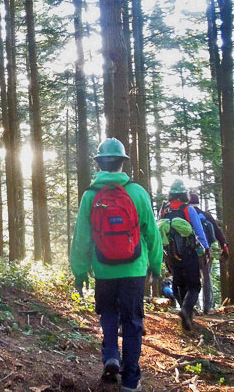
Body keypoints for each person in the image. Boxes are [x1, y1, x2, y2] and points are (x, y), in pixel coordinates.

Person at [70, 138, 163, 392]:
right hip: (134, 270)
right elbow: (152, 234)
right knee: (132, 322)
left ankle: (111, 354)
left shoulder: (90, 195)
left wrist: (79, 272)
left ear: (99, 164)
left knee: (109, 313)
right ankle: (131, 381)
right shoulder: (137, 193)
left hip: (104, 268)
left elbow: (82, 238)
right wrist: (156, 265)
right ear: (122, 163)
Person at [159, 180, 210, 331]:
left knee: (177, 284)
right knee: (194, 285)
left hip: (170, 254)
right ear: (184, 194)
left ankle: (185, 312)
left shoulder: (165, 210)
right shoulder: (188, 210)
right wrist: (206, 247)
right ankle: (186, 310)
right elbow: (198, 230)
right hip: (189, 252)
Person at [188, 193, 228, 314]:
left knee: (192, 278)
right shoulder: (206, 215)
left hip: (190, 252)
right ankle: (208, 307)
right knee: (206, 278)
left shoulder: (186, 215)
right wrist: (224, 247)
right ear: (198, 202)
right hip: (205, 251)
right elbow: (217, 232)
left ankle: (193, 306)